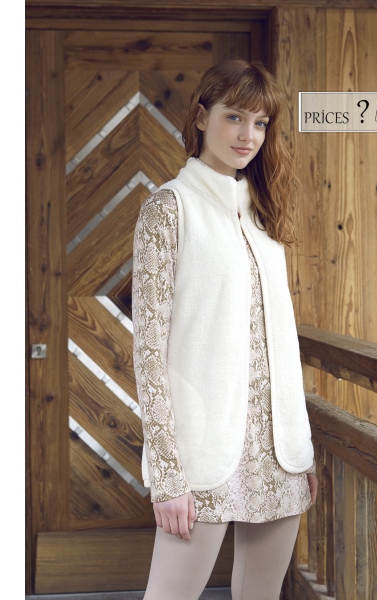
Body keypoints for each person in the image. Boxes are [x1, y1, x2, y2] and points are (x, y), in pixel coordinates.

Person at [132, 58, 318, 600]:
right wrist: (167, 474)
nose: (247, 135)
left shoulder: (262, 217)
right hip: (202, 454)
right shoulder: (169, 210)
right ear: (201, 117)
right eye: (234, 117)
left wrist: (301, 450)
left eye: (260, 123)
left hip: (278, 453)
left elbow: (281, 343)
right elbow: (149, 351)